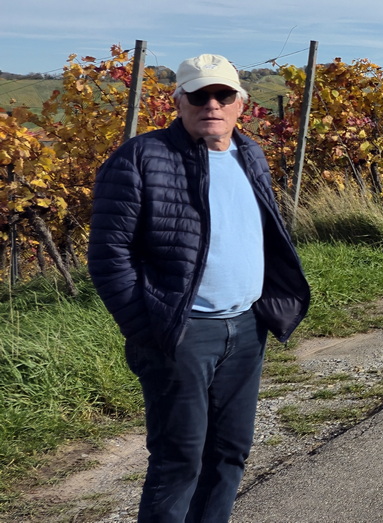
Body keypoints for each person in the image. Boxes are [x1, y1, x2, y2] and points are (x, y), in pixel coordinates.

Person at [88, 54, 312, 523]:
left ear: (240, 104)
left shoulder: (250, 154)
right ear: (179, 102)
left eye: (223, 95)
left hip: (246, 328)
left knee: (230, 453)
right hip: (181, 333)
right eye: (199, 95)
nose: (212, 104)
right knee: (179, 461)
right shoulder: (140, 158)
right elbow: (109, 256)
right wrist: (148, 329)